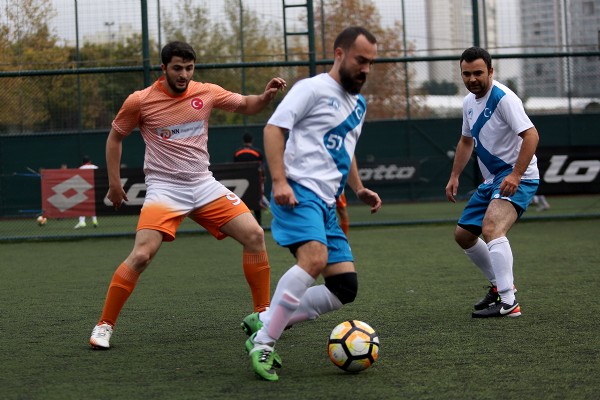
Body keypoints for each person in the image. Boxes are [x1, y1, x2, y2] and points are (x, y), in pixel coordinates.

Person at [89, 41, 286, 349]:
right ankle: (104, 324)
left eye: (189, 68)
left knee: (255, 235)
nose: (183, 74)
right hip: (165, 188)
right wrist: (115, 184)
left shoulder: (205, 92)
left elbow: (248, 104)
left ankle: (263, 314)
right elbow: (115, 138)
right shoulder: (139, 101)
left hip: (203, 184)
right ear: (163, 68)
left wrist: (265, 96)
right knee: (141, 254)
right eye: (177, 68)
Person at [241, 26, 381, 381]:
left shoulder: (359, 104)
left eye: (371, 63)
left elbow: (344, 148)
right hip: (298, 191)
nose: (365, 68)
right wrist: (279, 181)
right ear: (339, 54)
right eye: (360, 60)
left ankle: (267, 318)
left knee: (344, 288)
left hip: (326, 202)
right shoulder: (312, 89)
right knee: (314, 259)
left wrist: (359, 188)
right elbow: (274, 129)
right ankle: (264, 342)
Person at [445, 46, 540, 319]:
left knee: (492, 228)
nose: (472, 79)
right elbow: (466, 141)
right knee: (464, 235)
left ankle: (509, 303)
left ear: (490, 71)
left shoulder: (503, 98)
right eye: (466, 74)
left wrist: (516, 174)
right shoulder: (468, 103)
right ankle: (500, 286)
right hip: (493, 178)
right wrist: (454, 176)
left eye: (478, 73)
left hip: (517, 175)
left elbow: (531, 136)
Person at [233, 132, 269, 225]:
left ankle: (243, 223)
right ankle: (259, 223)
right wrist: (263, 176)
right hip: (255, 181)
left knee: (242, 201)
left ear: (243, 141)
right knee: (256, 200)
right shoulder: (257, 152)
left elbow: (234, 167)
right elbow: (262, 167)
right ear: (252, 140)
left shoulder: (237, 153)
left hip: (242, 182)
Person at [74, 156, 99, 229]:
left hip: (83, 189)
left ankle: (82, 222)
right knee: (93, 205)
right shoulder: (95, 167)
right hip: (94, 189)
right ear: (90, 161)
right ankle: (95, 221)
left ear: (82, 162)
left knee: (82, 205)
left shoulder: (81, 168)